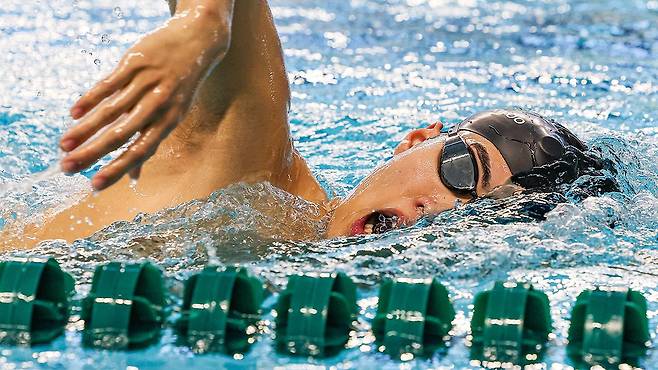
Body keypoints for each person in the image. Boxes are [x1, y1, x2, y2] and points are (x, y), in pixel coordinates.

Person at [0, 0, 611, 249]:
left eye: (479, 213)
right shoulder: (247, 168)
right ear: (419, 141)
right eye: (459, 169)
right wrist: (207, 23)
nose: (436, 209)